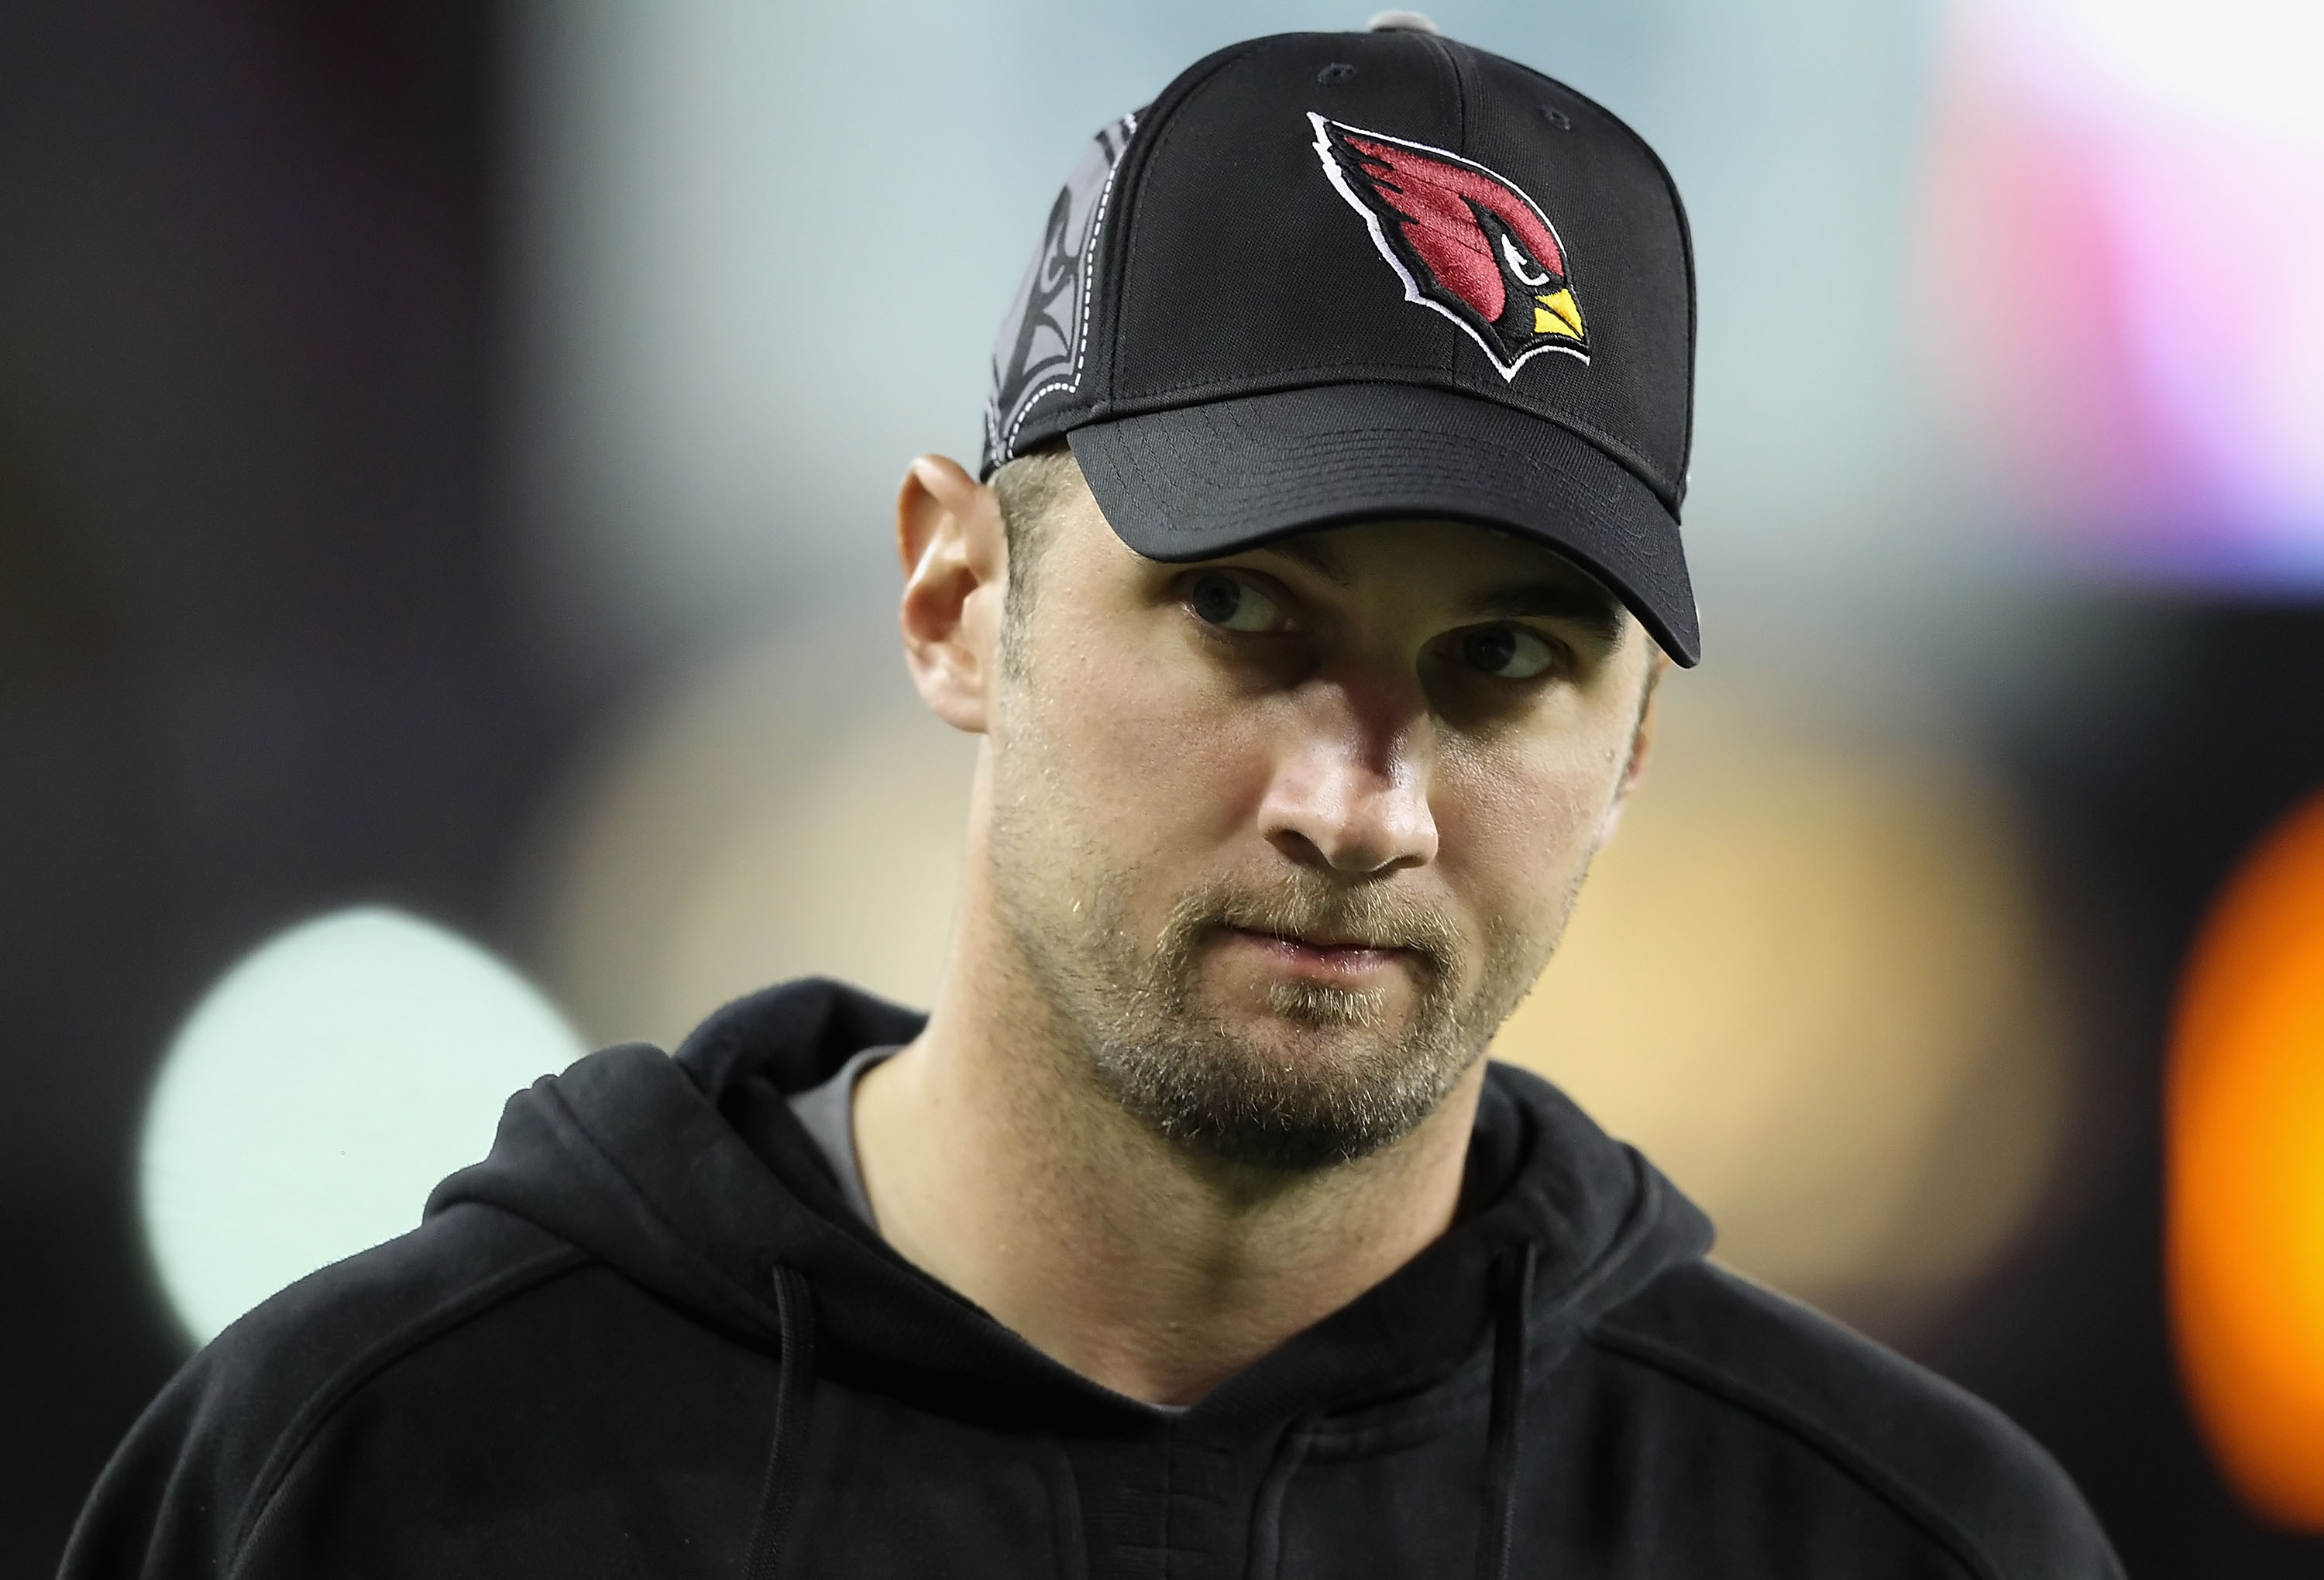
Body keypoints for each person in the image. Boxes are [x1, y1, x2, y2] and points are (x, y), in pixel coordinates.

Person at [65, 18, 2121, 1578]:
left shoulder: (1893, 1537)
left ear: (1637, 746)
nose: (1361, 805)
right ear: (958, 602)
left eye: (1505, 658)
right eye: (1240, 609)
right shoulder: (374, 1469)